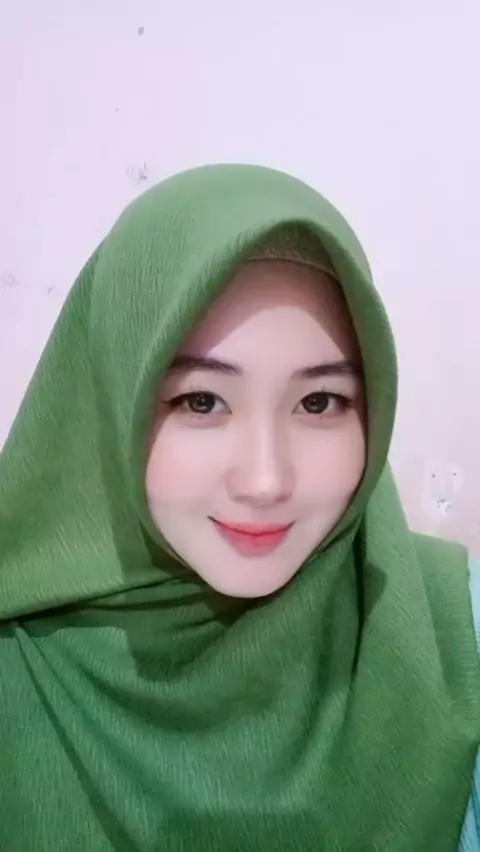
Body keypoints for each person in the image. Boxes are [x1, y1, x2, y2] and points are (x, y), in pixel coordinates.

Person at [0, 163, 478, 852]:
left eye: (319, 402)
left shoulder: (458, 632)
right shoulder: (18, 666)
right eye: (202, 401)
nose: (264, 480)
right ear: (107, 402)